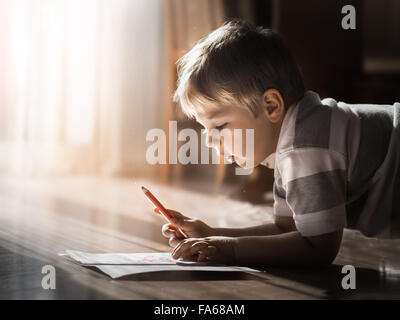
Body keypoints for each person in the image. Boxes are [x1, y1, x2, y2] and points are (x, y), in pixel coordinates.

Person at [158, 20, 400, 267]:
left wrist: (229, 250)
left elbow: (317, 248)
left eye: (219, 126)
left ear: (271, 106)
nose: (209, 141)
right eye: (205, 129)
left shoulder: (305, 147)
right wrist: (213, 235)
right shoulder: (292, 138)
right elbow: (287, 229)